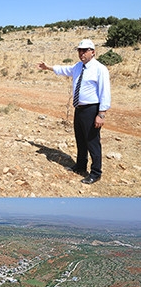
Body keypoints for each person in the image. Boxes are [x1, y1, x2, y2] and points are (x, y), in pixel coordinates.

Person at [38, 39, 111, 184]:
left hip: (92, 109)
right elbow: (65, 69)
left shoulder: (100, 69)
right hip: (79, 109)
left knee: (92, 142)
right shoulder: (78, 66)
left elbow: (105, 92)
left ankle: (96, 173)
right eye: (79, 50)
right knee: (80, 139)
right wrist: (48, 67)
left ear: (93, 52)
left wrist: (101, 114)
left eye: (85, 50)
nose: (82, 53)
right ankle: (80, 166)